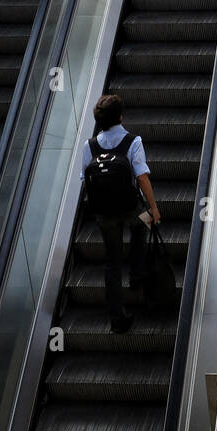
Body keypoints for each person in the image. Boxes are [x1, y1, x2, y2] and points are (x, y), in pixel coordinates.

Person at [81, 93, 160, 335]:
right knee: (144, 224)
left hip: (105, 213)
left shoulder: (90, 146)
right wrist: (154, 208)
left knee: (112, 262)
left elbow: (86, 179)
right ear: (121, 116)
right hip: (131, 207)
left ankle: (117, 318)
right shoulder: (133, 142)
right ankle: (137, 274)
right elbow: (142, 177)